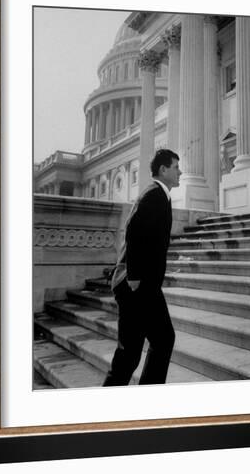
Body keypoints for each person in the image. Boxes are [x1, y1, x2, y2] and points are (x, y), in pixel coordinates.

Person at [103, 149, 182, 386]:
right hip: (137, 286)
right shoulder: (154, 195)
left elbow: (147, 239)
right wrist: (135, 277)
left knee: (130, 353)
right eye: (176, 167)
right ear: (163, 169)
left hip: (139, 285)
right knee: (162, 340)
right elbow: (133, 231)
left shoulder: (159, 195)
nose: (180, 171)